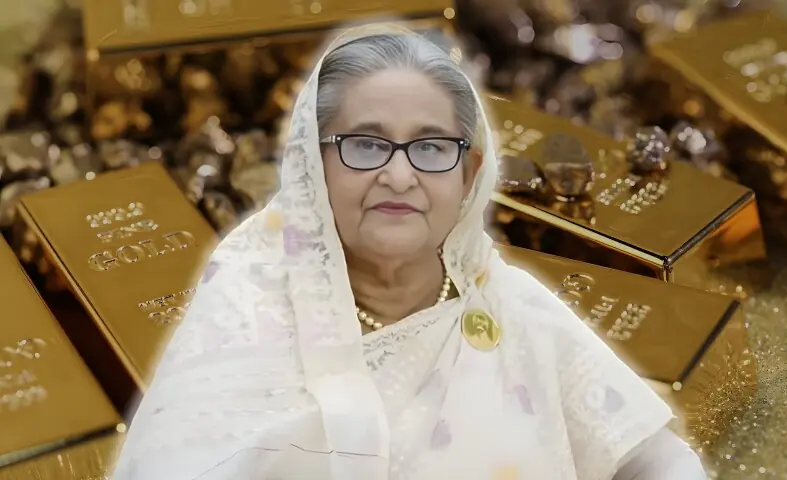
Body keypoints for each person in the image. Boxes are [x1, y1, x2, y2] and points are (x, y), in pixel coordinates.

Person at [112, 23, 707, 480]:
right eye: (366, 145)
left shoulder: (508, 309)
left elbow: (656, 459)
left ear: (470, 173)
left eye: (431, 148)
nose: (399, 177)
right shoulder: (244, 314)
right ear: (312, 164)